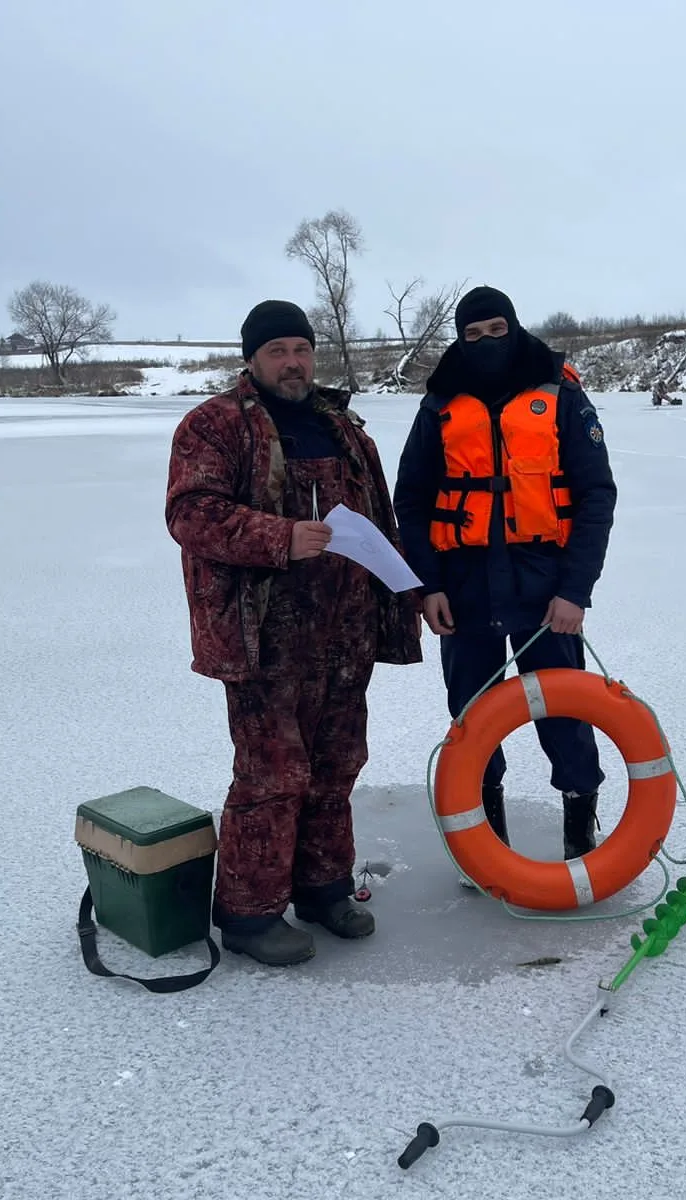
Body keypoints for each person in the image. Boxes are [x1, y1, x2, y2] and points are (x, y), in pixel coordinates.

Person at [165, 299, 423, 966]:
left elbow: (382, 522)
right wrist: (280, 537)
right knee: (273, 773)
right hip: (264, 637)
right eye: (277, 351)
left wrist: (409, 592)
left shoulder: (342, 428)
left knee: (338, 764)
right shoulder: (215, 425)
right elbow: (191, 513)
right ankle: (249, 915)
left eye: (301, 349)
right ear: (252, 358)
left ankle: (323, 888)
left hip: (345, 632)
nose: (292, 362)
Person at [393, 286, 616, 863]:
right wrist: (428, 585)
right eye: (473, 334)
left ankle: (580, 837)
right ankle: (486, 841)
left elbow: (596, 495)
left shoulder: (560, 393)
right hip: (464, 588)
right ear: (460, 339)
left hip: (545, 587)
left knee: (565, 711)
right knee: (472, 715)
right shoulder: (440, 402)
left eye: (496, 330)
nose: (486, 342)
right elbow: (411, 499)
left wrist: (575, 590)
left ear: (513, 328)